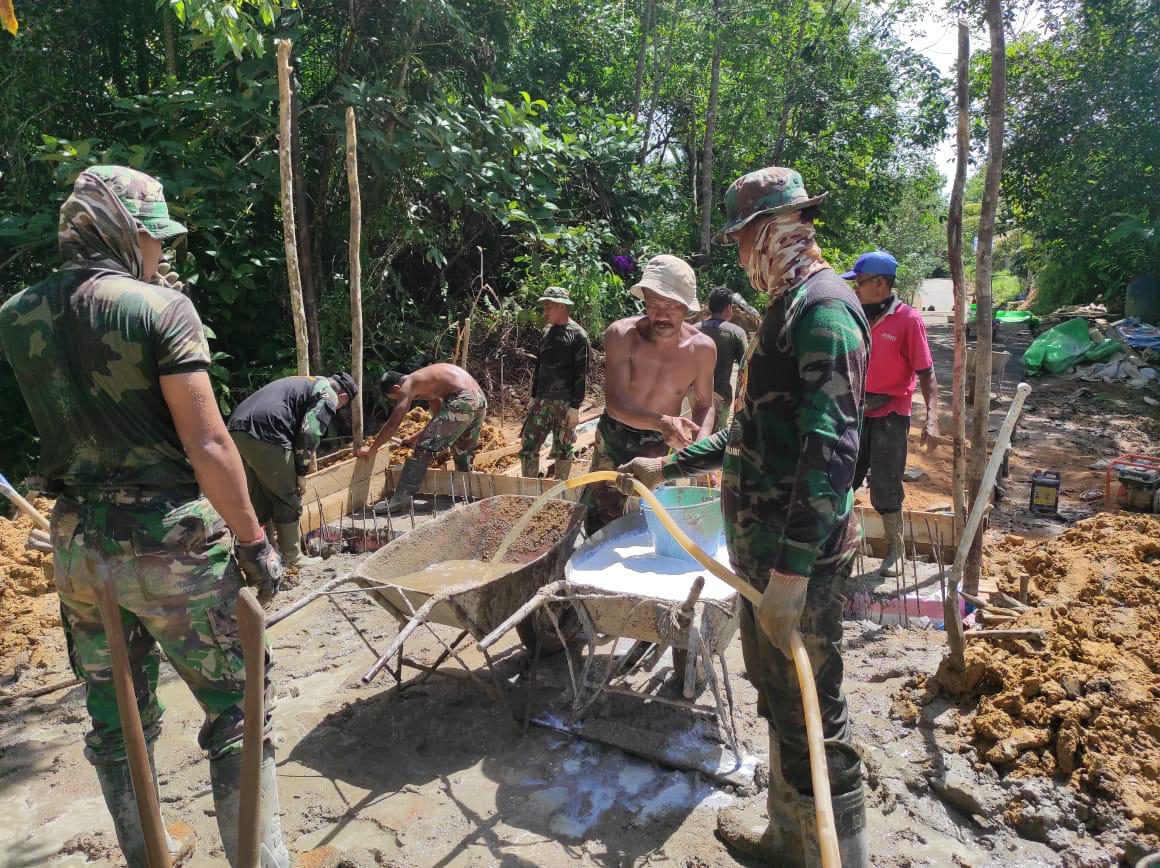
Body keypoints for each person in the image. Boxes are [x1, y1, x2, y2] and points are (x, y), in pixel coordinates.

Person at [0, 166, 289, 866]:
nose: (163, 256)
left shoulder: (16, 313)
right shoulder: (157, 309)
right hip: (173, 547)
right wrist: (253, 541)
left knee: (115, 716)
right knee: (237, 715)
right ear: (125, 233)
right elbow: (210, 441)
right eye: (156, 240)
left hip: (77, 547)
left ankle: (148, 852)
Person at [619, 167, 870, 865]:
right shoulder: (786, 309)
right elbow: (753, 434)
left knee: (817, 711)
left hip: (802, 560)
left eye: (738, 241)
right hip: (764, 552)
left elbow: (832, 451)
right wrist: (667, 466)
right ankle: (789, 836)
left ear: (766, 233)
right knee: (781, 699)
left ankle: (833, 852)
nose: (737, 257)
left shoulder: (824, 310)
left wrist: (791, 574)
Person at [582, 253, 717, 536]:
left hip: (660, 443)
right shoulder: (621, 335)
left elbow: (705, 404)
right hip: (615, 435)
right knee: (600, 515)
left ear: (687, 308)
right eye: (654, 303)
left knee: (650, 520)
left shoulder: (702, 349)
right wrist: (661, 422)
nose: (661, 314)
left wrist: (700, 446)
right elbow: (616, 403)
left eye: (671, 305)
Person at [842, 250, 939, 577]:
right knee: (841, 477)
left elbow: (926, 373)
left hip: (890, 415)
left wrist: (932, 417)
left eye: (861, 283)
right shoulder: (856, 315)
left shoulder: (908, 320)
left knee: (885, 486)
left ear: (880, 284)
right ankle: (837, 542)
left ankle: (896, 550)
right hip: (855, 410)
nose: (856, 289)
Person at [227, 372, 357, 567]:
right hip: (267, 432)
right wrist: (301, 472)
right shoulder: (328, 393)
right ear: (344, 397)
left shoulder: (305, 381)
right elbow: (310, 431)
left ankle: (265, 556)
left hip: (236, 430)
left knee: (258, 498)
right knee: (287, 497)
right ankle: (292, 556)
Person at [356, 362, 487, 513]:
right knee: (462, 448)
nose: (401, 399)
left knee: (423, 447)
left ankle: (400, 500)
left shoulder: (409, 384)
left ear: (397, 389)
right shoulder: (427, 382)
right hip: (478, 398)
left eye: (396, 398)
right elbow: (440, 417)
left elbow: (394, 423)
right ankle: (467, 490)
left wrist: (372, 449)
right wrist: (415, 436)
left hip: (463, 400)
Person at [519, 286, 590, 480]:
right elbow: (539, 366)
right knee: (528, 443)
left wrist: (575, 407)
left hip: (564, 402)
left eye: (548, 307)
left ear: (561, 307)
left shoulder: (578, 336)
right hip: (542, 400)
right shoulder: (546, 332)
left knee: (564, 447)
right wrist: (534, 396)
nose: (545, 311)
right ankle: (529, 488)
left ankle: (559, 491)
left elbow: (581, 374)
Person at [698, 285, 749, 433]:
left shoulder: (694, 330)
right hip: (719, 395)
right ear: (728, 308)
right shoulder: (736, 333)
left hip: (694, 393)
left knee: (697, 432)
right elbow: (745, 368)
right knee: (714, 438)